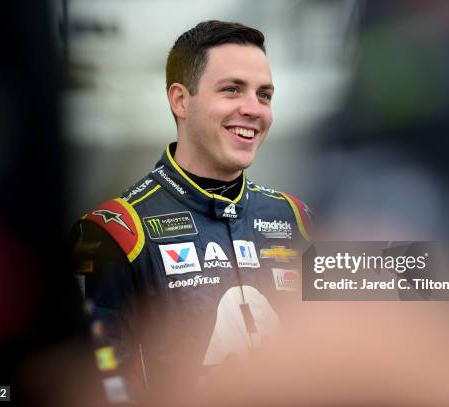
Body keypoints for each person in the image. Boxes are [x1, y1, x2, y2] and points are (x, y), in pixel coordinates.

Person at [71, 20, 312, 402]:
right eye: (232, 89)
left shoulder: (294, 217)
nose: (253, 109)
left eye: (264, 95)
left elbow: (382, 326)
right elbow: (99, 388)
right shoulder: (116, 232)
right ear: (180, 100)